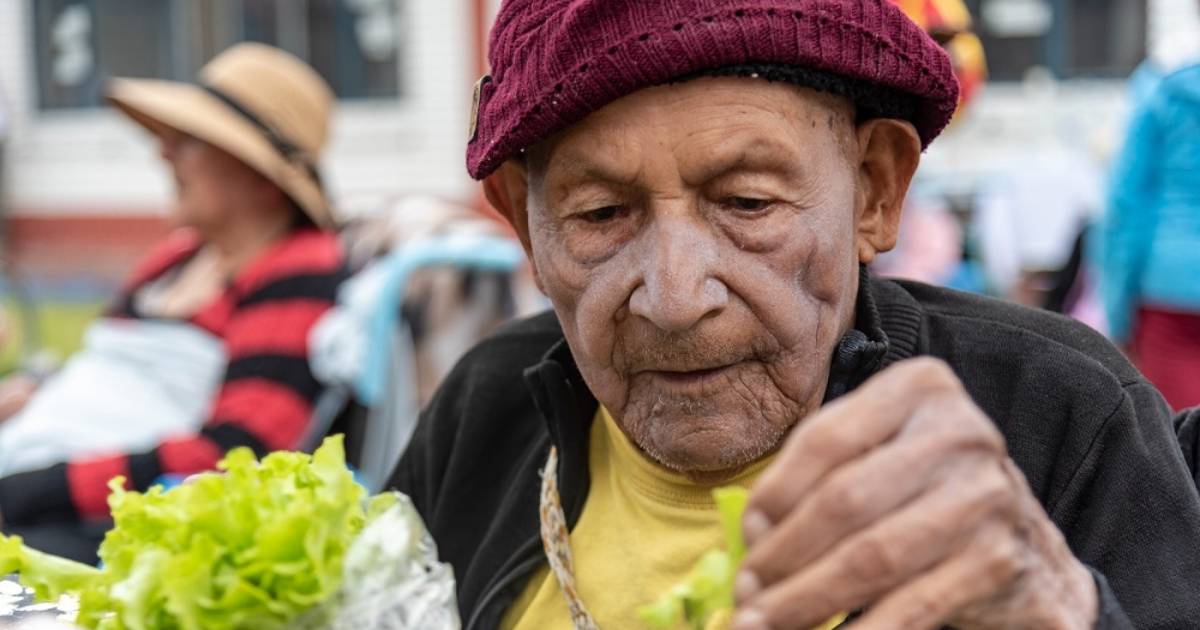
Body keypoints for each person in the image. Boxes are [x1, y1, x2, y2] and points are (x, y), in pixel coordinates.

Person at [386, 1, 1200, 629]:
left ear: (876, 189)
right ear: (526, 224)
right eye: (601, 215)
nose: (675, 299)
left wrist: (1062, 608)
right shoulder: (483, 409)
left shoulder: (1061, 417)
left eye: (747, 202)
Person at [0, 43, 348, 563]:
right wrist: (34, 392)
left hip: (87, 524)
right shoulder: (178, 256)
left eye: (188, 141)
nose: (162, 151)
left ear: (261, 179)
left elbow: (234, 453)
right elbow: (113, 374)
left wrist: (24, 492)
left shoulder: (298, 267)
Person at [1093, 52, 1200, 411]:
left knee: (1177, 448)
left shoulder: (1160, 85)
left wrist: (1118, 313)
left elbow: (1125, 205)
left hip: (1168, 294)